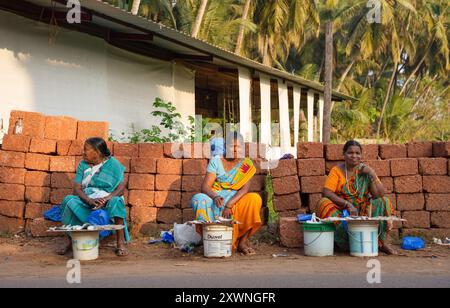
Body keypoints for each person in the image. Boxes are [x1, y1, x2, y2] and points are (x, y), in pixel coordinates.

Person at [318, 140, 397, 255]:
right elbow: (326, 192)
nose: (354, 156)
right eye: (350, 153)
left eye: (357, 153)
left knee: (384, 201)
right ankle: (345, 243)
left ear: (361, 155)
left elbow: (379, 195)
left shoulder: (365, 171)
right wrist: (347, 204)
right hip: (342, 210)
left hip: (362, 211)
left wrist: (372, 174)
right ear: (344, 154)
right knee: (323, 203)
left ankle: (381, 242)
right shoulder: (337, 171)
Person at [191, 132, 262, 255]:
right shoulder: (216, 161)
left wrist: (229, 204)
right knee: (198, 198)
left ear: (243, 148)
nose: (234, 150)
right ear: (225, 146)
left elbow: (244, 190)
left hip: (235, 199)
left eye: (238, 147)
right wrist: (215, 196)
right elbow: (205, 186)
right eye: (231, 146)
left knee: (254, 199)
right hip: (217, 198)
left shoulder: (246, 165)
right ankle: (210, 239)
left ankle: (242, 242)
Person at [59, 137, 130, 257]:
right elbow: (77, 187)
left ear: (97, 152)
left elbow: (121, 187)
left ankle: (120, 242)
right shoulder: (83, 164)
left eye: (86, 149)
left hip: (107, 198)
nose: (83, 152)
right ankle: (70, 240)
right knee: (68, 200)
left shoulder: (114, 164)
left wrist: (107, 198)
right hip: (87, 199)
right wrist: (89, 200)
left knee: (117, 201)